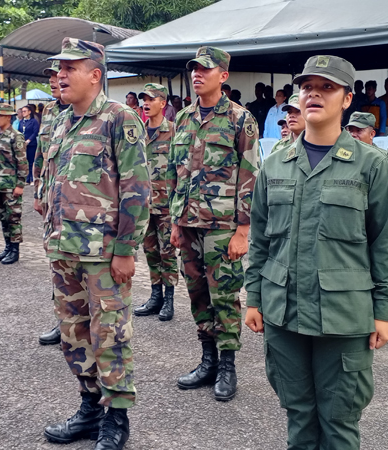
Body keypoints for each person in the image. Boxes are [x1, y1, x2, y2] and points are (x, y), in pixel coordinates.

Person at [246, 54, 388, 450]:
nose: (313, 94)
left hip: (344, 316)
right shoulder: (276, 164)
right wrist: (253, 298)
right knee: (298, 413)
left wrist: (383, 311)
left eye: (327, 88)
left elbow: (387, 241)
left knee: (339, 418)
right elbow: (261, 238)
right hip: (283, 310)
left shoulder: (372, 165)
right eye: (307, 88)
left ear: (347, 99)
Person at [40, 38, 150, 450]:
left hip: (103, 254)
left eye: (70, 67)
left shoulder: (120, 119)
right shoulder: (61, 121)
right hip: (64, 249)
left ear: (95, 74)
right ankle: (89, 407)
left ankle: (116, 417)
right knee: (74, 332)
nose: (61, 75)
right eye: (59, 68)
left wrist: (126, 250)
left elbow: (137, 190)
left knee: (111, 334)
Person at [168, 46, 259, 402]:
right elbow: (175, 171)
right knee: (197, 293)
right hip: (188, 223)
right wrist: (175, 221)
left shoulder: (240, 119)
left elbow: (250, 175)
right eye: (194, 69)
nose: (197, 74)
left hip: (222, 226)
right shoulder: (183, 118)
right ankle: (207, 360)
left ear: (223, 76)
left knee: (224, 295)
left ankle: (227, 365)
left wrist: (243, 229)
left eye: (205, 69)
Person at [34, 61, 72, 347]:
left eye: (58, 75)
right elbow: (41, 152)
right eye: (50, 77)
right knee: (57, 263)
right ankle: (63, 320)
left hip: (80, 204)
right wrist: (38, 190)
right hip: (52, 201)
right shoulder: (49, 111)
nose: (54, 80)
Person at [134, 83, 178, 321]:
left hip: (167, 205)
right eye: (144, 99)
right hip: (143, 205)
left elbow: (182, 168)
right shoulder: (138, 132)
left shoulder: (173, 131)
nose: (146, 103)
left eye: (151, 99)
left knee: (168, 252)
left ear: (163, 103)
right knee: (150, 251)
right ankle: (155, 296)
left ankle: (169, 300)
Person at [0, 103, 27, 265]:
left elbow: (22, 162)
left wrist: (20, 184)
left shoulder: (16, 136)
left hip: (11, 185)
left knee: (13, 217)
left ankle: (15, 250)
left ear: (8, 117)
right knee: (2, 216)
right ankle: (8, 247)